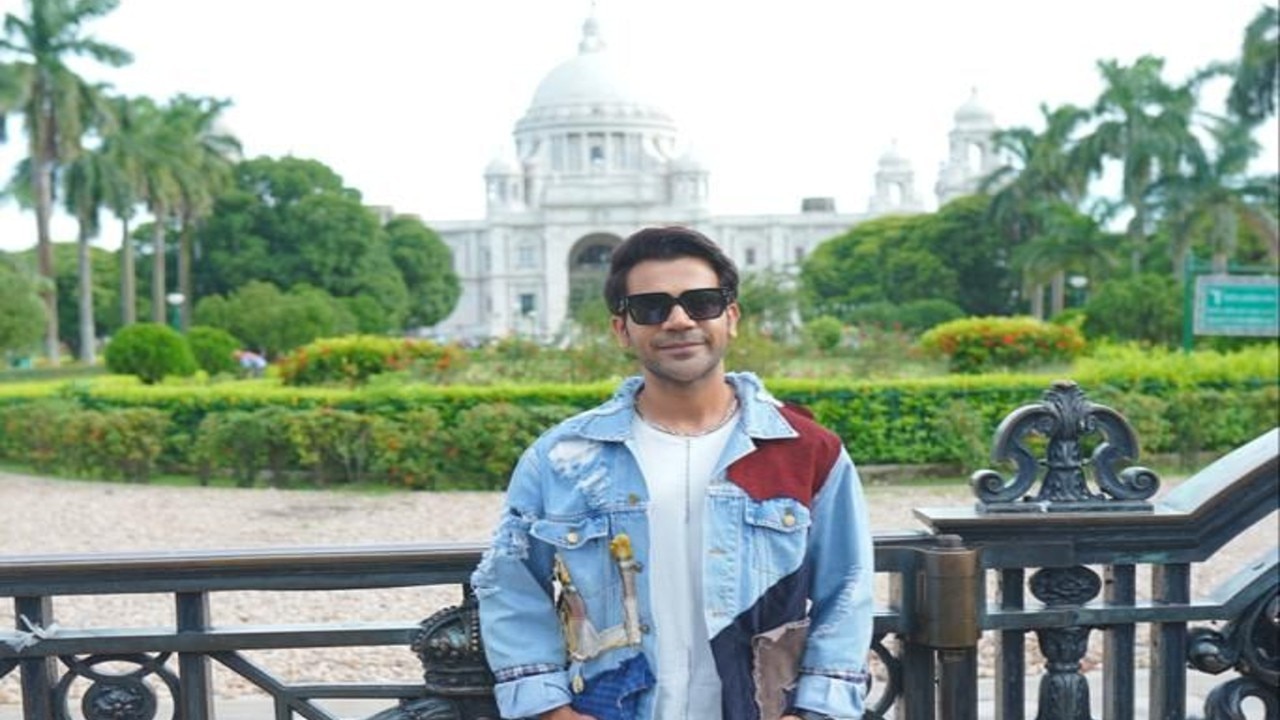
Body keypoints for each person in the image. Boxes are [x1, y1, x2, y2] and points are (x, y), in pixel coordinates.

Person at [471, 226, 874, 720]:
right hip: (610, 705)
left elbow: (849, 589)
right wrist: (548, 707)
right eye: (651, 308)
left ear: (731, 317)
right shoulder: (562, 458)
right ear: (622, 328)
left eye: (701, 302)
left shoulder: (805, 451)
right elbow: (510, 583)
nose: (679, 320)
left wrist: (819, 708)